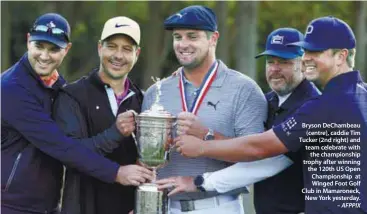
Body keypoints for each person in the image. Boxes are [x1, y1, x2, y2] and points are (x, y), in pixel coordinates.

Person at [174, 16, 367, 213]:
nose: (307, 57)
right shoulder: (360, 93)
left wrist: (202, 151)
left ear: (341, 56)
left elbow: (261, 150)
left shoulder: (324, 105)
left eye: (316, 51)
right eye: (306, 50)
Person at [1, 13, 153, 214]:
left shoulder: (58, 85)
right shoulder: (11, 89)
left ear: (66, 50)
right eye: (39, 46)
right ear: (28, 41)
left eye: (54, 49)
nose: (45, 56)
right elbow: (61, 146)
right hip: (12, 205)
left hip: (47, 205)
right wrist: (116, 172)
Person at [158, 28, 321, 214]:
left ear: (303, 64)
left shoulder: (311, 107)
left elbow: (263, 162)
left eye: (284, 62)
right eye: (270, 62)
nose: (275, 69)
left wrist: (199, 182)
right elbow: (245, 146)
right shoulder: (269, 101)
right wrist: (207, 134)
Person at [142, 5, 268, 214]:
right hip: (161, 208)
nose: (183, 44)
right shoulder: (156, 92)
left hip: (218, 206)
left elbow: (255, 156)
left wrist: (207, 137)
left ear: (213, 38)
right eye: (177, 37)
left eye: (192, 36)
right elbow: (146, 160)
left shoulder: (244, 89)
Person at [52, 16, 147, 214]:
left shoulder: (143, 100)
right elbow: (70, 154)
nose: (118, 55)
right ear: (99, 48)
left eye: (127, 49)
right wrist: (115, 133)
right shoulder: (71, 95)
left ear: (137, 54)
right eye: (112, 46)